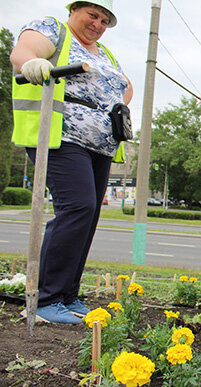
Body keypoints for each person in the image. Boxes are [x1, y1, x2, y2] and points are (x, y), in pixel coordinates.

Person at [10, 0, 133, 324]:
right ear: (74, 10)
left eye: (105, 20)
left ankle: (67, 295)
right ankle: (44, 298)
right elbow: (23, 51)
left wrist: (110, 107)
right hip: (61, 137)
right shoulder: (54, 29)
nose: (98, 24)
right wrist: (32, 65)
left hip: (100, 145)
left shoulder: (104, 54)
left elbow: (124, 85)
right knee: (77, 207)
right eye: (93, 15)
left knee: (88, 215)